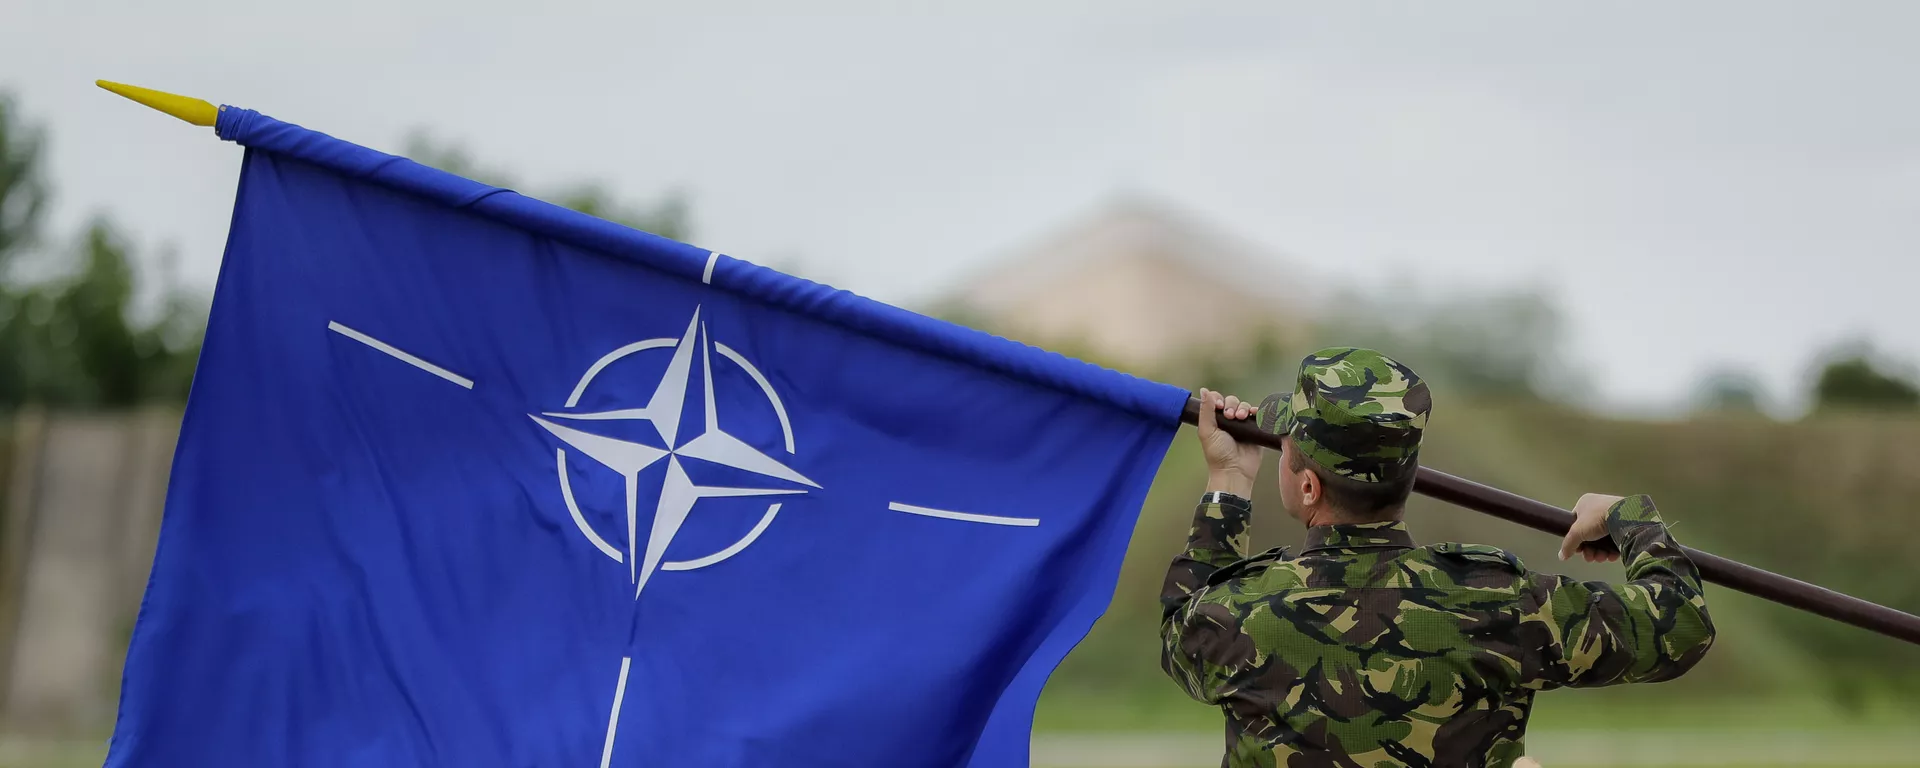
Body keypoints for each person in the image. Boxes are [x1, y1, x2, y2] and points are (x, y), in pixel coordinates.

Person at [1159, 347, 1716, 767]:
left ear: (1308, 489)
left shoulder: (1235, 616)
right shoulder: (1497, 600)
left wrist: (1228, 484)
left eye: (1285, 449)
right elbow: (1679, 624)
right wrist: (1628, 518)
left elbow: (1178, 631)